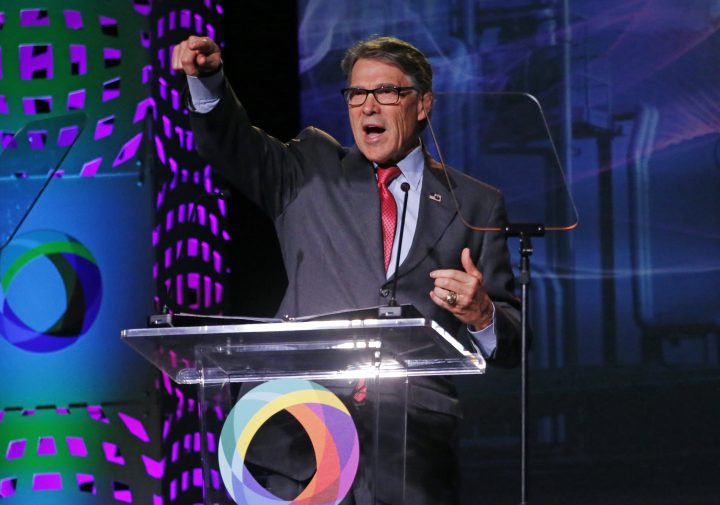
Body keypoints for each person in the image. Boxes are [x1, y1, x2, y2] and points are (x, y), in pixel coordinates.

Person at [172, 35, 521, 505]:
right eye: (357, 94)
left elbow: (513, 339)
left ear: (422, 104)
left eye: (387, 93)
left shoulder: (475, 202)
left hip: (410, 449)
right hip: (300, 436)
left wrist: (482, 315)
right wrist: (208, 81)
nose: (368, 107)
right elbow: (232, 143)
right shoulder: (309, 170)